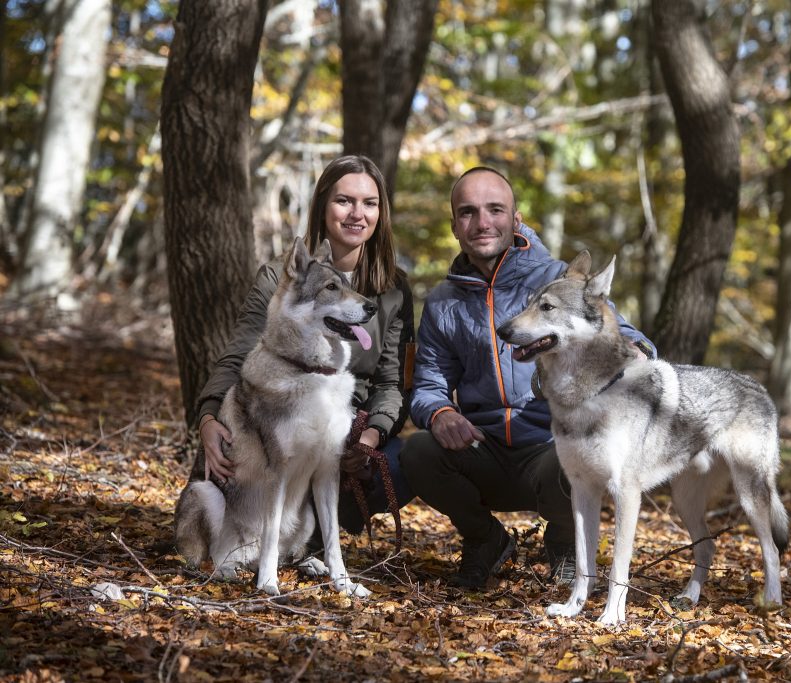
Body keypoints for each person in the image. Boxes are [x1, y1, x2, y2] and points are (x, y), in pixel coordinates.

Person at [400, 166, 656, 589]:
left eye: (495, 209)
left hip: (548, 448)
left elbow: (622, 333)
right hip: (482, 449)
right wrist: (441, 413)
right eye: (468, 212)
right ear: (454, 226)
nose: (482, 222)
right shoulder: (443, 302)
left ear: (516, 219)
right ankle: (485, 539)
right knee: (418, 452)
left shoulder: (555, 280)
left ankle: (566, 543)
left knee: (575, 450)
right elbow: (428, 384)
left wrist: (637, 352)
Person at [193, 154, 415, 551]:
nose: (357, 214)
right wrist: (208, 416)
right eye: (344, 201)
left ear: (381, 212)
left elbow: (392, 383)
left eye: (370, 203)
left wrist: (370, 436)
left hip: (345, 432)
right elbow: (238, 356)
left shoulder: (394, 288)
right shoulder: (279, 278)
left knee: (405, 462)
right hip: (281, 425)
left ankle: (315, 534)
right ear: (322, 206)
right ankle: (255, 537)